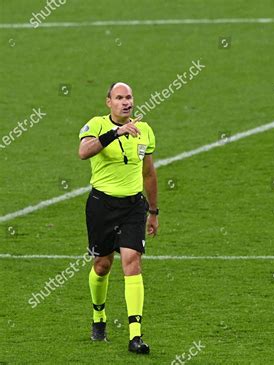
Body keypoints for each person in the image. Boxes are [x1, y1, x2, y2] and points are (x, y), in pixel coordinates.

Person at [78, 82, 159, 354]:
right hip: (102, 206)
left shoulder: (144, 130)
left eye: (129, 97)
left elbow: (149, 173)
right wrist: (115, 133)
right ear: (108, 102)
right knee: (102, 266)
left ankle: (135, 336)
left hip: (133, 207)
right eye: (120, 97)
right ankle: (99, 317)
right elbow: (83, 152)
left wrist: (154, 211)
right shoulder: (96, 125)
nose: (126, 102)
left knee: (132, 261)